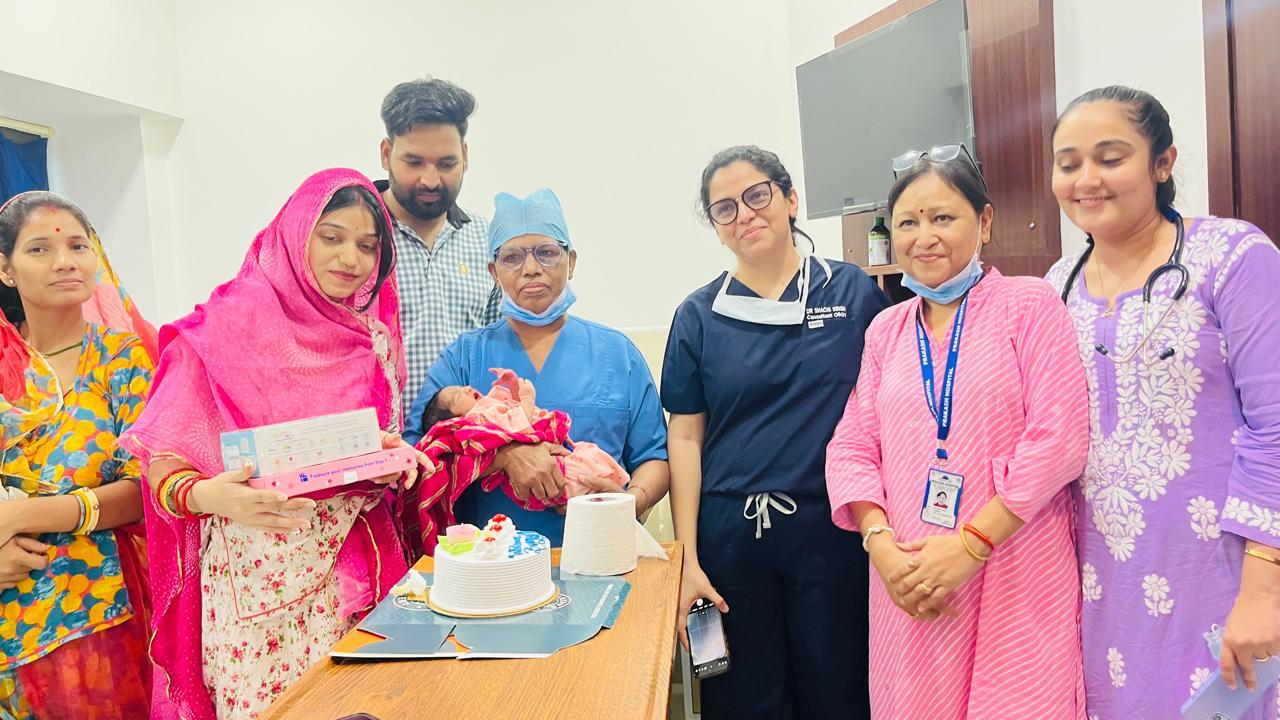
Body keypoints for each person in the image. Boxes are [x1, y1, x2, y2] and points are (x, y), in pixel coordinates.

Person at [119, 169, 421, 720]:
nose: (350, 258)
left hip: (353, 576)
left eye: (367, 245)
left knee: (362, 706)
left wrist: (385, 455)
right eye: (331, 237)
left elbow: (347, 443)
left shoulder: (366, 337)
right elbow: (161, 468)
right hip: (255, 590)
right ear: (294, 232)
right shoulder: (217, 333)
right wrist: (212, 497)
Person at [825, 145, 1090, 718]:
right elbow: (851, 447)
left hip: (1015, 567)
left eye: (943, 217)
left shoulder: (1029, 305)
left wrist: (972, 546)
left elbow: (1060, 436)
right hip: (912, 578)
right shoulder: (886, 331)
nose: (925, 237)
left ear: (985, 221)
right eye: (908, 222)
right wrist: (883, 549)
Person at [1046, 85, 1280, 718]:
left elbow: (1276, 425)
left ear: (1163, 163)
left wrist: (1264, 591)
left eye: (1110, 157)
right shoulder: (1054, 286)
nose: (1086, 179)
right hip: (1102, 584)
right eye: (1068, 164)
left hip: (1225, 571)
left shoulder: (1232, 256)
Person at [663, 145, 888, 719]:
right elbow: (686, 438)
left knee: (839, 688)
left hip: (832, 531)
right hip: (729, 539)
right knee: (736, 693)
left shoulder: (852, 293)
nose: (745, 214)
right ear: (715, 228)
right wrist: (687, 557)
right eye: (724, 208)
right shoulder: (698, 315)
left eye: (757, 195)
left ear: (790, 199)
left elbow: (884, 411)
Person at [404, 188, 668, 545]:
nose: (531, 269)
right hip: (490, 568)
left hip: (602, 555)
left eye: (546, 253)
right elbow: (420, 456)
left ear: (571, 261)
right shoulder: (463, 359)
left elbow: (655, 458)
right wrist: (504, 457)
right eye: (512, 257)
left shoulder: (617, 354)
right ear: (493, 271)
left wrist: (628, 502)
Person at [0, 191, 157, 720]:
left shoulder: (122, 358)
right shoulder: (3, 365)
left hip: (101, 612)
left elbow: (143, 489)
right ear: (5, 269)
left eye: (77, 245)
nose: (65, 260)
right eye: (40, 249)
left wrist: (21, 515)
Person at [378, 78, 499, 420]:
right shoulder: (358, 242)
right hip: (380, 456)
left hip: (468, 455)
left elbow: (500, 355)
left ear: (465, 154)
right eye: (414, 162)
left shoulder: (488, 240)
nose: (430, 180)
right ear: (386, 153)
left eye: (446, 164)